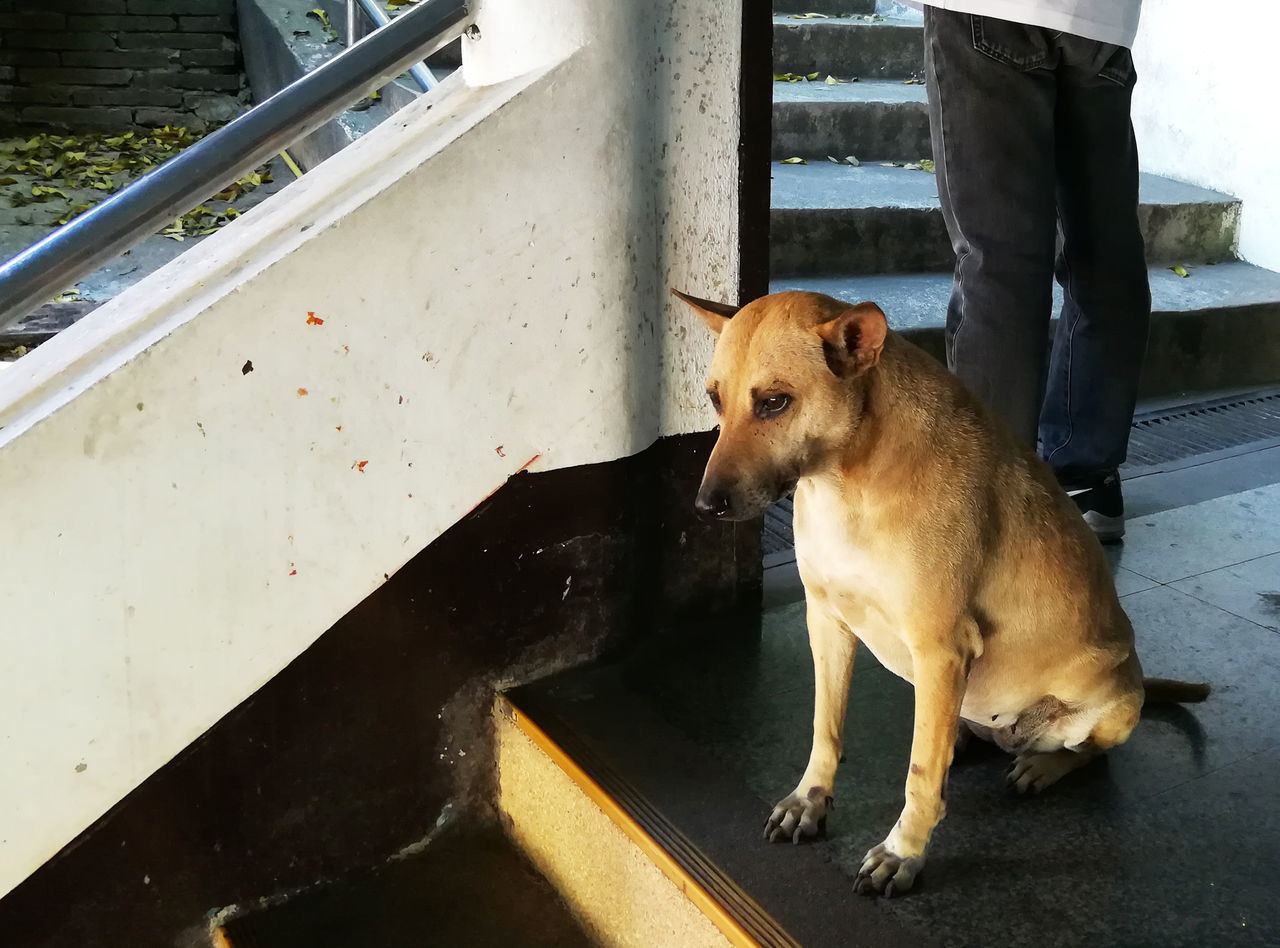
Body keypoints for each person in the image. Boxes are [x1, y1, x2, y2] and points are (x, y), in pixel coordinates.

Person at [913, 1, 1149, 542]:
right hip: (1102, 19)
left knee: (999, 260)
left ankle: (987, 502)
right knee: (1105, 250)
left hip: (990, 9)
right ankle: (1087, 477)